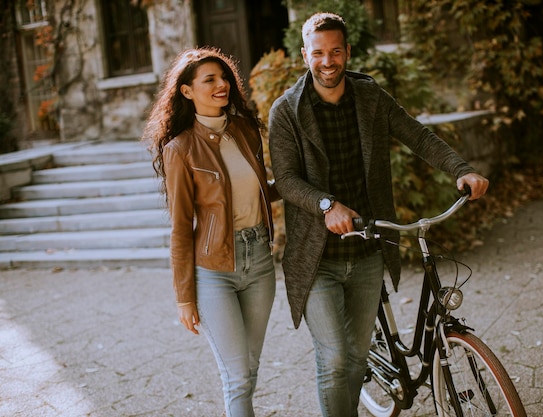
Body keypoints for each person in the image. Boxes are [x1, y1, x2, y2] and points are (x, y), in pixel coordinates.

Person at [268, 12, 489, 417]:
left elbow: (417, 135)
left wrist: (462, 169)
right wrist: (326, 205)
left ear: (348, 51)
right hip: (317, 258)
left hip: (369, 248)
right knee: (335, 359)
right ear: (305, 56)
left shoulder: (370, 98)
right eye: (318, 53)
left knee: (354, 358)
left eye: (336, 51)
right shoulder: (287, 111)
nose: (328, 61)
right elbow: (284, 179)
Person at [142, 47, 279, 417]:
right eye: (210, 80)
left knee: (249, 369)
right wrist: (185, 297)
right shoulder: (181, 149)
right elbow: (181, 228)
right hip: (214, 270)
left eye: (224, 78)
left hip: (260, 262)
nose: (222, 85)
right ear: (187, 91)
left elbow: (260, 188)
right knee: (236, 376)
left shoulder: (246, 130)